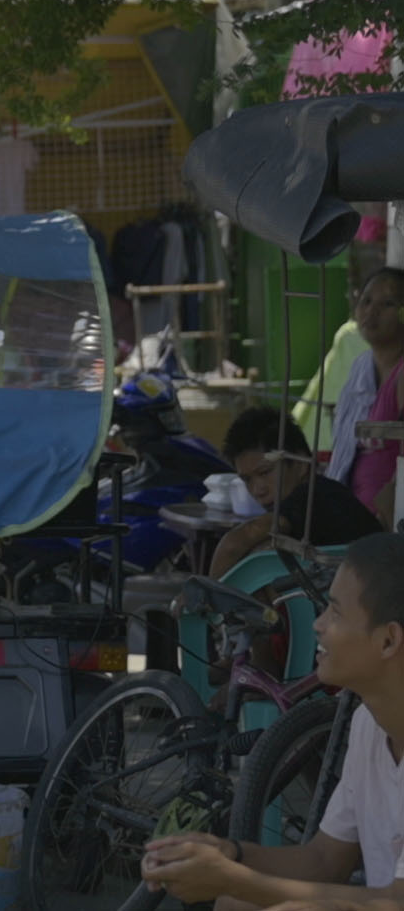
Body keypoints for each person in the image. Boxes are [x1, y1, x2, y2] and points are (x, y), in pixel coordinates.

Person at [142, 532, 404, 908]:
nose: (318, 624)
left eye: (336, 612)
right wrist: (229, 854)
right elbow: (323, 860)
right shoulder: (368, 724)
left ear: (388, 641)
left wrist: (235, 879)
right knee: (234, 902)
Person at [210, 407, 383, 580]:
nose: (257, 489)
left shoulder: (315, 495)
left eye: (264, 472)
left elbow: (237, 541)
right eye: (247, 480)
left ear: (300, 464)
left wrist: (202, 600)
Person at [325, 269, 404, 523]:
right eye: (366, 301)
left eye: (387, 304)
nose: (372, 312)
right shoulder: (361, 366)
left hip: (388, 522)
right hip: (351, 511)